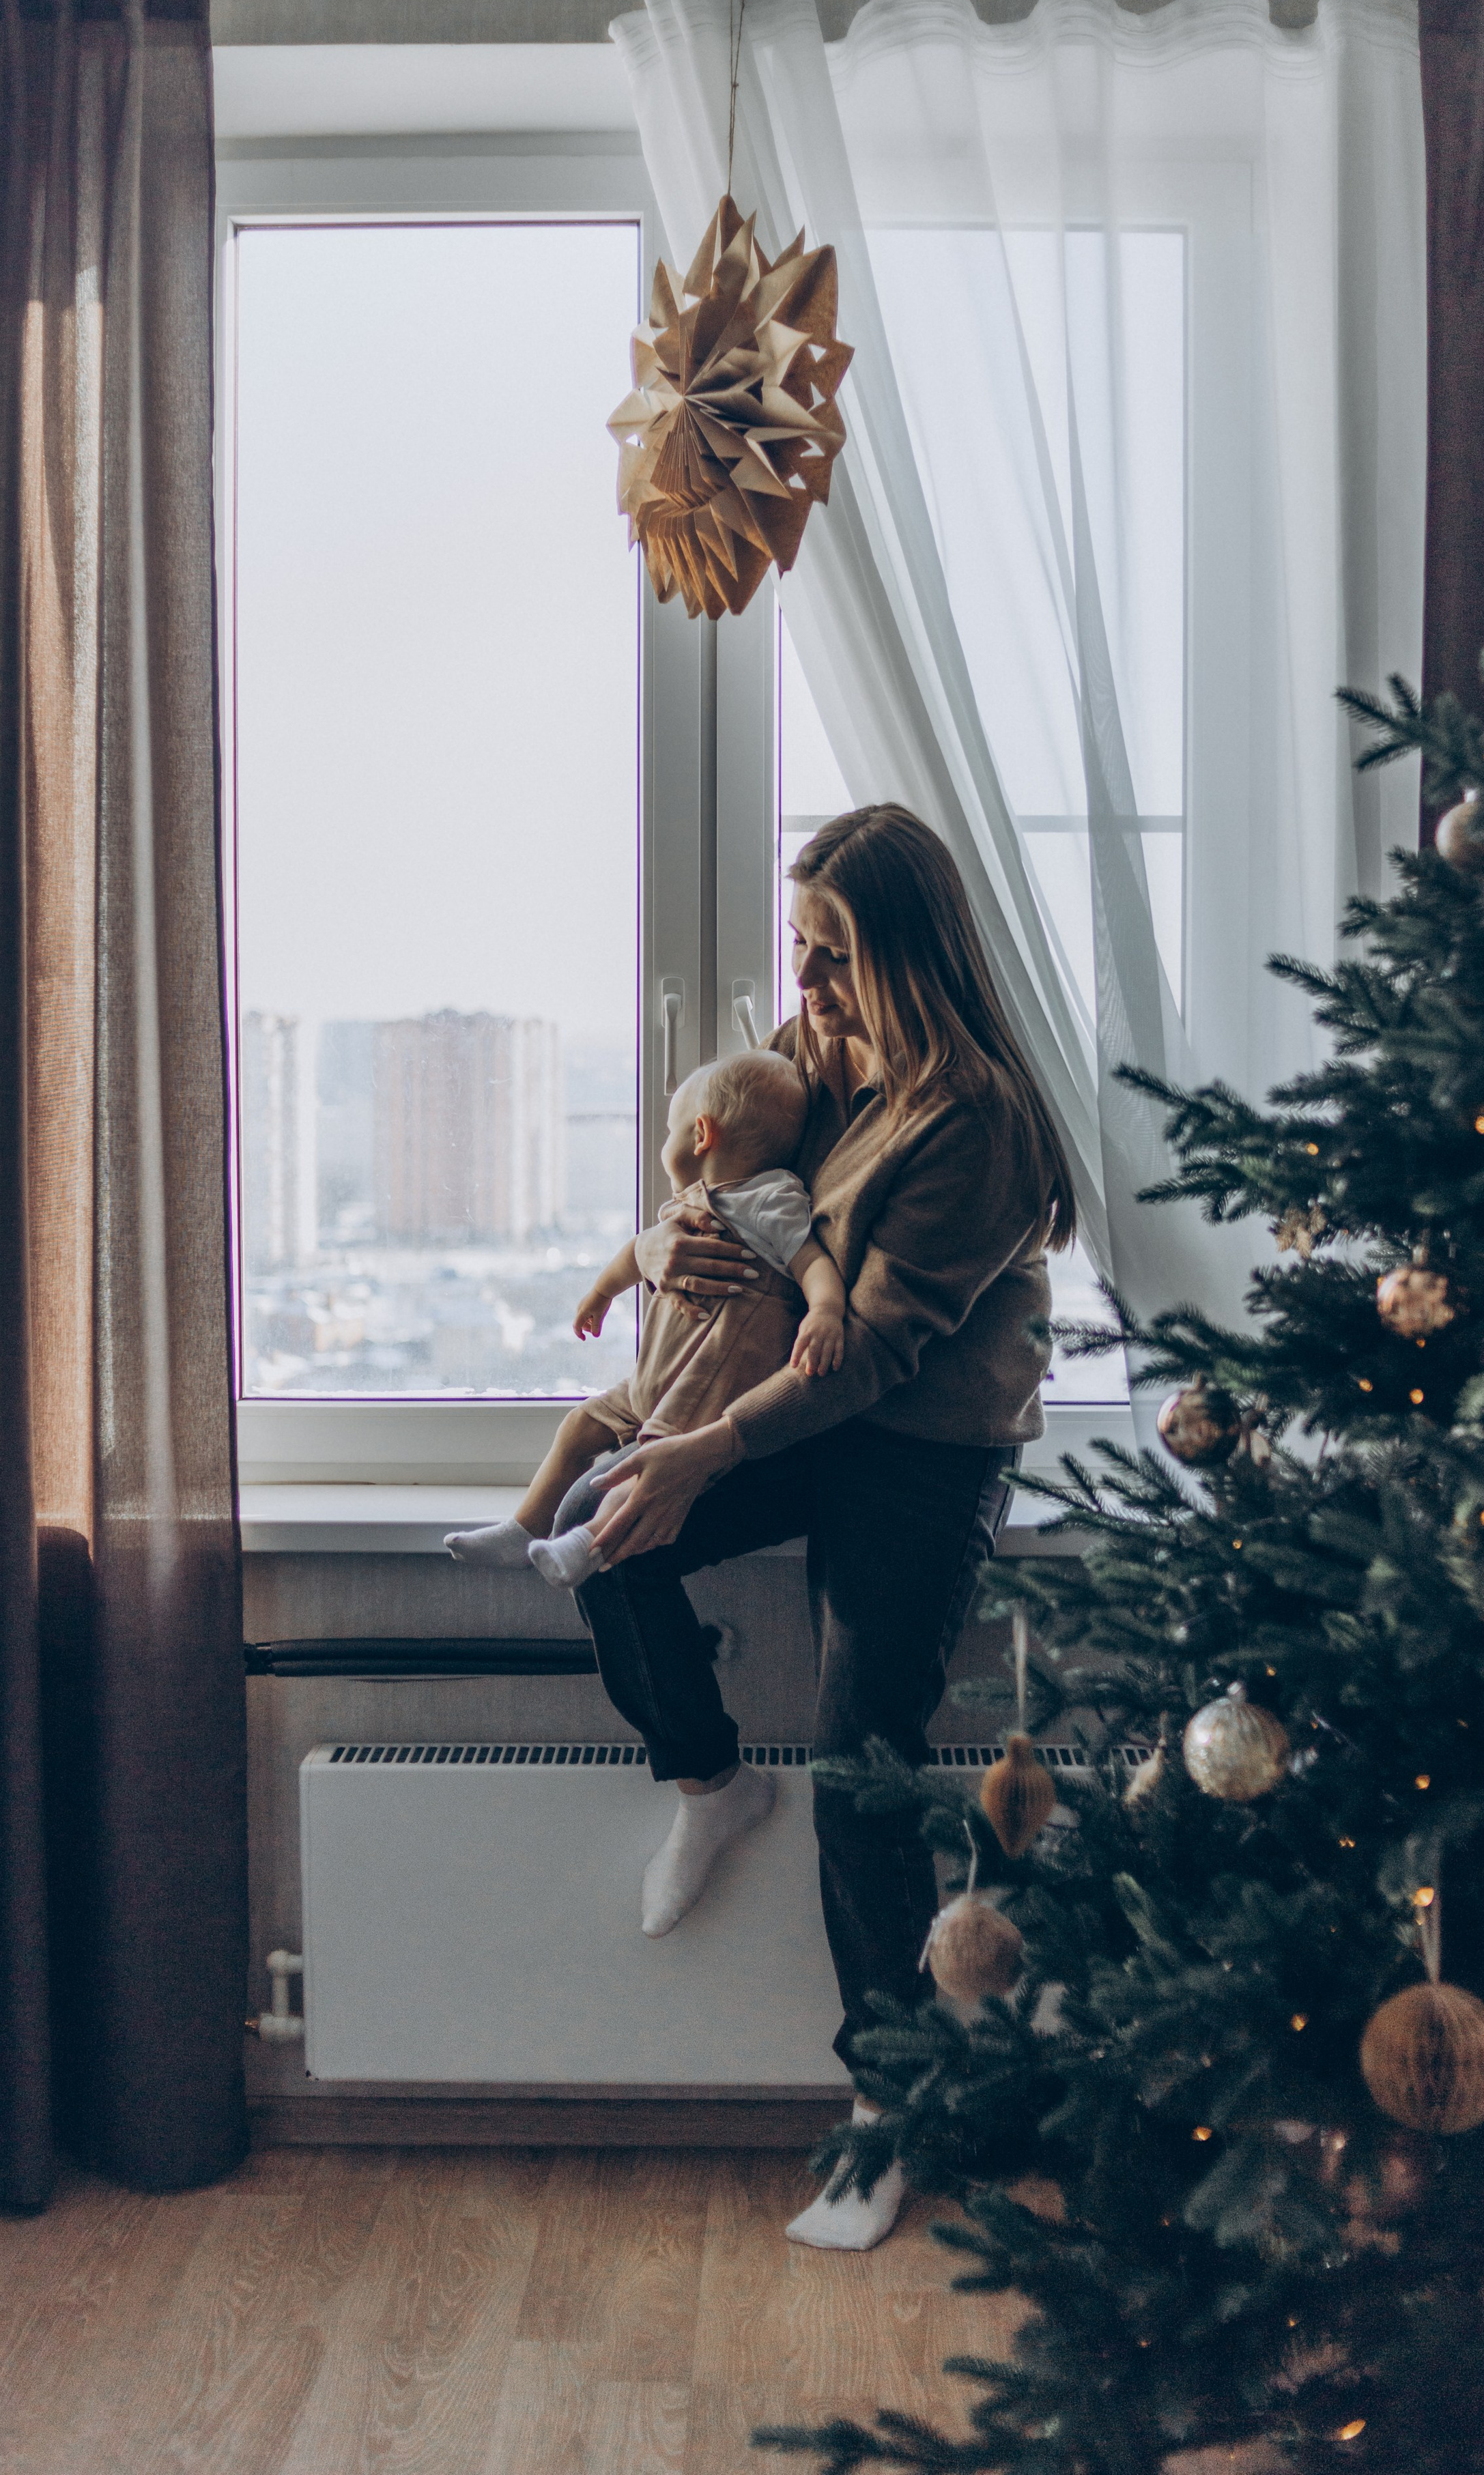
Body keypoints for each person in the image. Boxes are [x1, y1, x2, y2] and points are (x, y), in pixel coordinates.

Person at [577, 803, 1077, 2251]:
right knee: (613, 1537)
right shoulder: (820, 1066)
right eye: (799, 951)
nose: (801, 987)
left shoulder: (972, 1121)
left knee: (863, 1766)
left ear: (906, 957)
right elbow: (736, 1194)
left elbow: (866, 1356)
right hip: (800, 1417)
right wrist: (664, 1235)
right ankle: (708, 1780)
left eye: (831, 957)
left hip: (921, 1454)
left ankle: (892, 2112)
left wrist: (702, 1451)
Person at [446, 1048, 846, 1588]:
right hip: (658, 1369)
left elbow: (812, 1261)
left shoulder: (770, 1198)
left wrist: (824, 1310)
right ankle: (524, 1528)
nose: (665, 1141)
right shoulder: (689, 1203)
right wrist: (601, 1292)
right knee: (579, 1426)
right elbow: (638, 1252)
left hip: (713, 1375)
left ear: (701, 1134)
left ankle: (589, 1546)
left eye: (669, 1129)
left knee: (652, 1466)